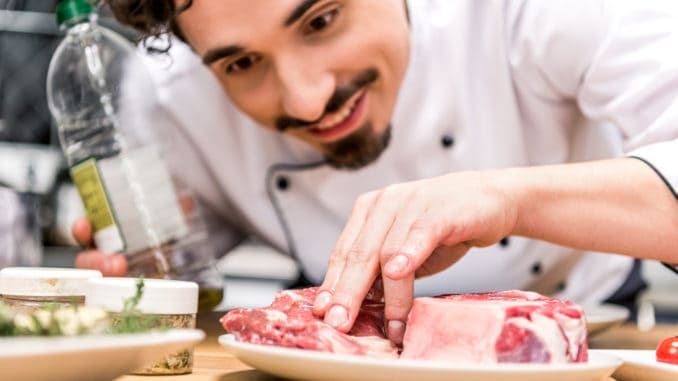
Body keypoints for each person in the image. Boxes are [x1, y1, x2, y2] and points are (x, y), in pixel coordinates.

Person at [73, 0, 678, 344]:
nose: (308, 101)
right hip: (339, 350)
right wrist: (149, 263)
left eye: (321, 20)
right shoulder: (167, 95)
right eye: (242, 64)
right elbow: (183, 245)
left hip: (582, 344)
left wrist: (509, 196)